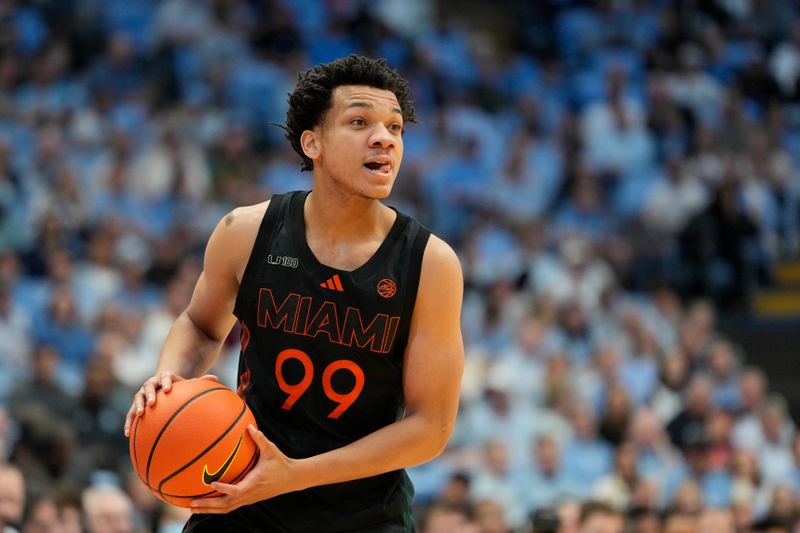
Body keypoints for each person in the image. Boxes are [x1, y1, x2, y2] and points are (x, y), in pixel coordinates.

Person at [123, 54, 465, 532]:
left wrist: (295, 475)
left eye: (395, 127)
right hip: (240, 494)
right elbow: (202, 325)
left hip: (362, 514)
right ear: (313, 142)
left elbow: (431, 428)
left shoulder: (430, 264)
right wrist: (167, 378)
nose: (384, 138)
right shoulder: (245, 231)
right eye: (360, 121)